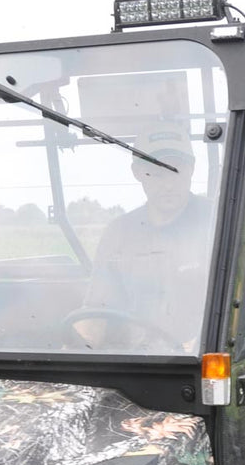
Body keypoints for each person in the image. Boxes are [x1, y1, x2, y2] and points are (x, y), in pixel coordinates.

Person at [75, 126, 211, 352]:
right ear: (137, 172)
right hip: (136, 359)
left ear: (192, 169)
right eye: (156, 173)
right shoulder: (118, 233)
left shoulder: (218, 222)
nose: (168, 184)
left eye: (176, 170)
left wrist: (202, 344)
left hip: (199, 358)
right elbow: (96, 310)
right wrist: (78, 348)